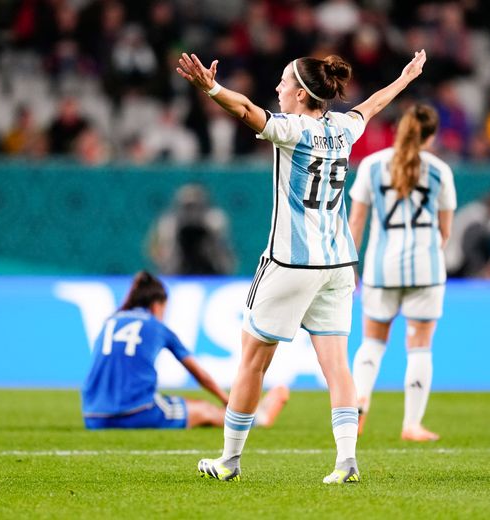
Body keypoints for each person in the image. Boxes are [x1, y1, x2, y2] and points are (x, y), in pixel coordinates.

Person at [176, 48, 427, 483]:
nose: (277, 87)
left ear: (301, 94)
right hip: (336, 263)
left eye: (283, 82)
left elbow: (245, 109)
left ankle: (229, 461)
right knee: (337, 364)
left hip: (290, 262)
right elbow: (373, 105)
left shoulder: (293, 130)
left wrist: (210, 88)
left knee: (252, 362)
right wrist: (404, 79)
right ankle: (346, 462)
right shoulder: (345, 130)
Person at [347, 104, 457, 443]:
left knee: (372, 342)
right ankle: (411, 425)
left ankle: (359, 402)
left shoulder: (372, 165)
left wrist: (351, 266)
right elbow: (445, 231)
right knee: (420, 346)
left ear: (399, 129)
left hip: (382, 267)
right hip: (426, 267)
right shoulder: (439, 171)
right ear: (432, 135)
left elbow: (357, 222)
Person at [81, 271, 289, 429]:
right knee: (204, 409)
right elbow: (200, 375)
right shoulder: (157, 327)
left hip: (93, 416)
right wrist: (228, 401)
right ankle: (257, 419)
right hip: (136, 412)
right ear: (157, 305)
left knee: (177, 403)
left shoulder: (110, 321)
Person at [148, 184, 236, 275]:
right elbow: (156, 253)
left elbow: (227, 260)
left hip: (210, 272)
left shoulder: (214, 221)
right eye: (188, 206)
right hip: (176, 272)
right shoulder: (169, 224)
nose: (192, 212)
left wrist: (213, 235)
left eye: (196, 206)